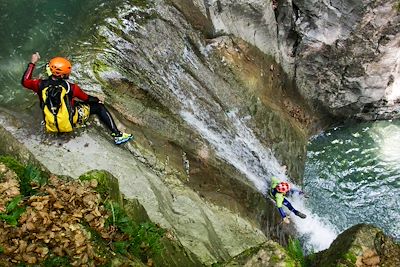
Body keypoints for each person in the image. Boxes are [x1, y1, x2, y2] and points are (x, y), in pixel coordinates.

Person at [21, 52, 133, 145]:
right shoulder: (71, 87)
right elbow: (86, 98)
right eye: (66, 72)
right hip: (69, 121)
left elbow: (25, 81)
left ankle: (57, 126)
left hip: (50, 123)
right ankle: (117, 135)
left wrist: (32, 62)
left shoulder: (39, 84)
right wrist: (97, 99)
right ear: (62, 75)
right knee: (99, 107)